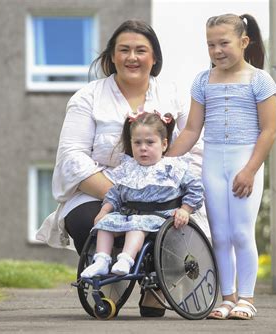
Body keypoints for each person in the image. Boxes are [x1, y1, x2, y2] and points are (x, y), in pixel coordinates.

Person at [35, 19, 207, 317]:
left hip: (161, 187)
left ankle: (156, 285)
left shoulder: (173, 97)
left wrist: (165, 185)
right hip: (104, 188)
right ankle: (109, 278)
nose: (132, 57)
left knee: (169, 220)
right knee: (87, 220)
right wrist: (119, 194)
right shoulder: (88, 97)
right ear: (111, 56)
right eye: (123, 50)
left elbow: (196, 149)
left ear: (154, 59)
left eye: (141, 50)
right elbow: (72, 156)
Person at [166, 13, 276, 320]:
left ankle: (247, 298)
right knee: (220, 234)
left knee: (242, 232)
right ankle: (227, 298)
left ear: (243, 42)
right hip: (213, 162)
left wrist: (250, 170)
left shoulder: (260, 80)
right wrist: (166, 160)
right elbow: (191, 131)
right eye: (210, 44)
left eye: (224, 43)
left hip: (245, 162)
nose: (217, 50)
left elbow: (269, 131)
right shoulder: (203, 80)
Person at [80, 111, 203, 278]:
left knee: (136, 226)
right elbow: (115, 193)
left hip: (160, 216)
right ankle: (102, 260)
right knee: (105, 224)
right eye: (137, 143)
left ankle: (126, 259)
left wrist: (185, 210)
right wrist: (104, 211)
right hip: (129, 214)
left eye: (150, 143)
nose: (143, 148)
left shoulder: (172, 167)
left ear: (164, 144)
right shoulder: (128, 168)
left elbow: (195, 188)